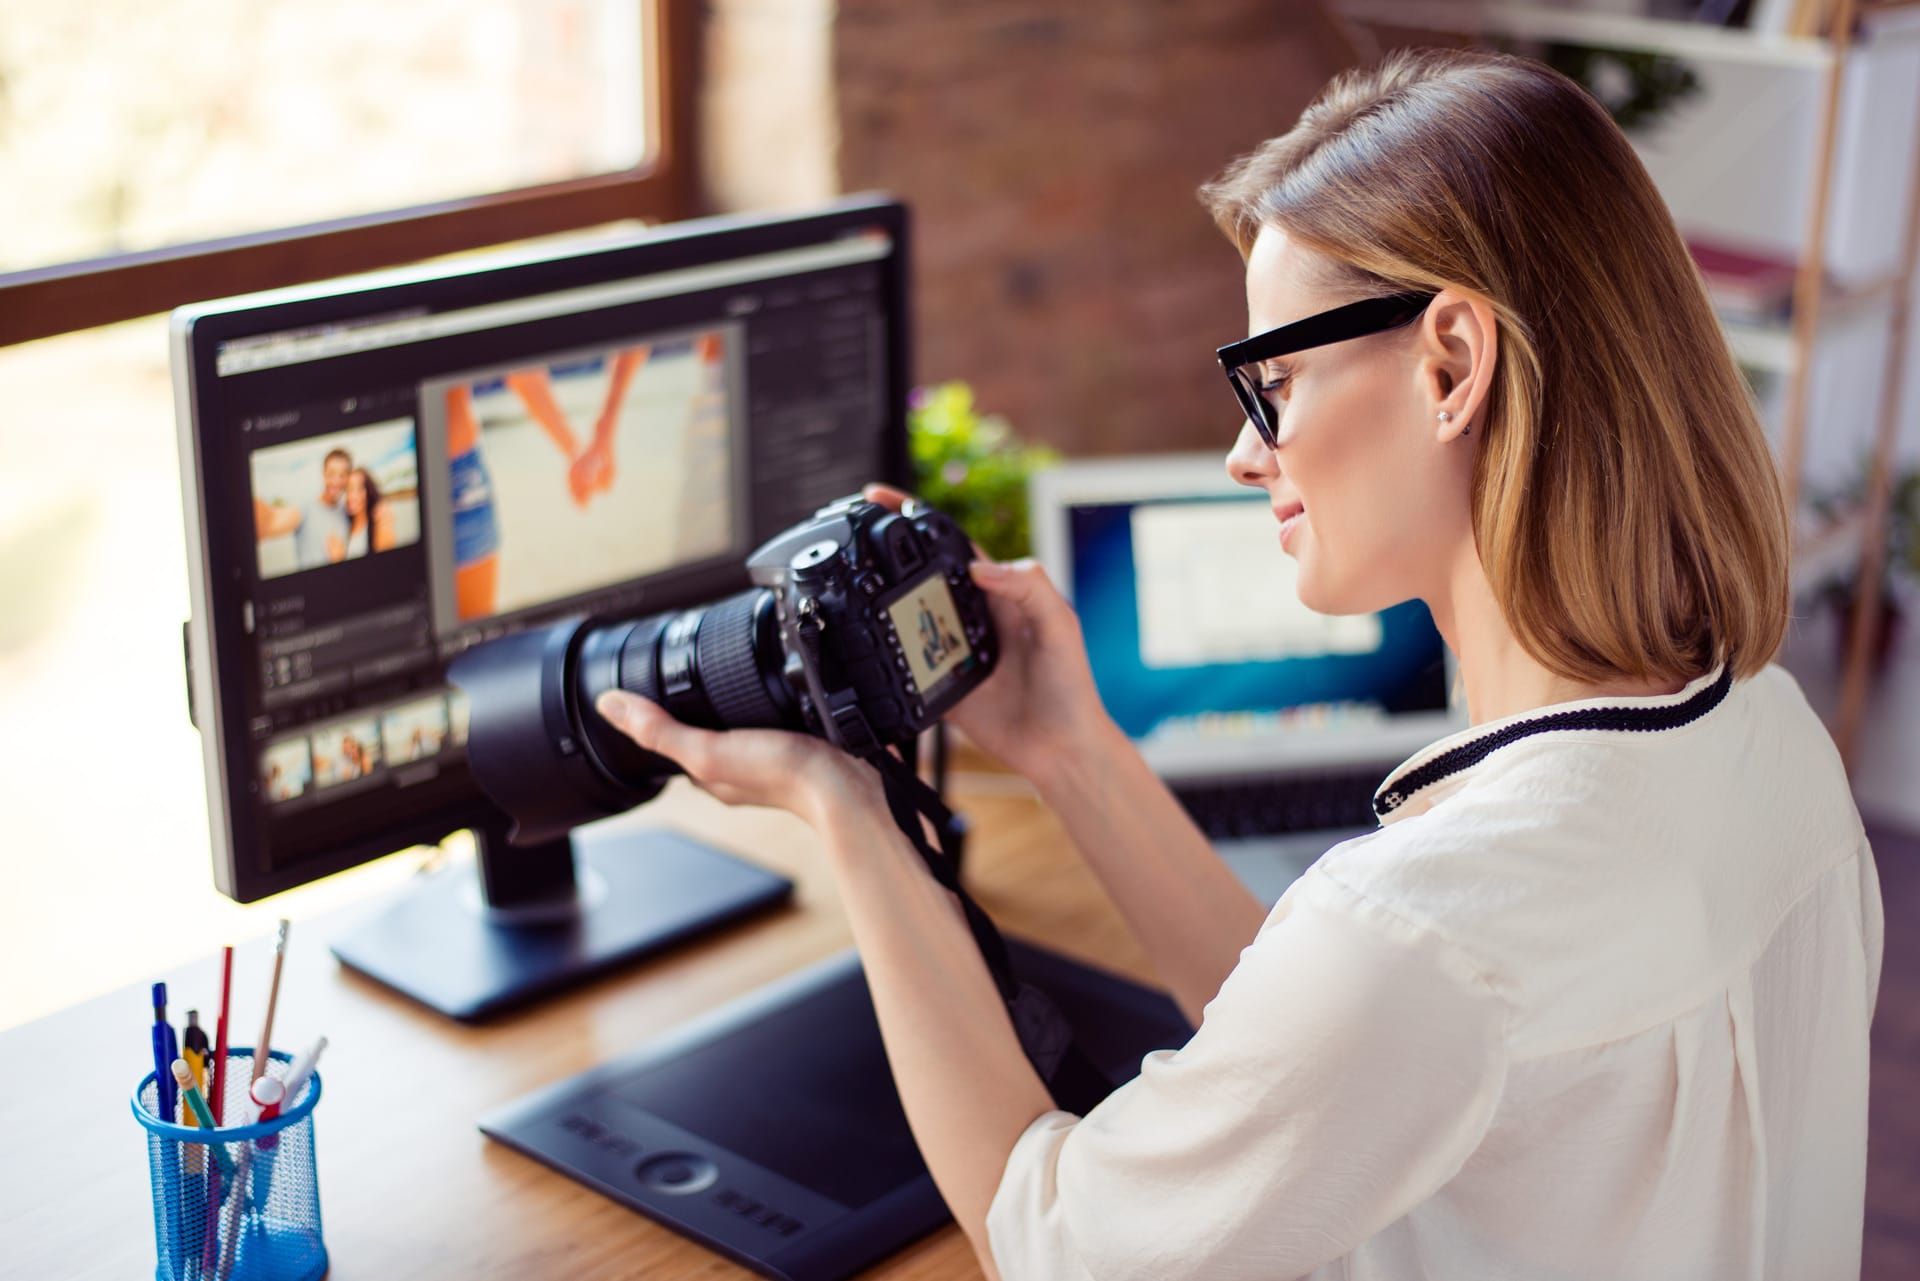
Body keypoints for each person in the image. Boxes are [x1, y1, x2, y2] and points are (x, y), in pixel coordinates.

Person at [588, 48, 1882, 1281]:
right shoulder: (1774, 746)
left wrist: (846, 812)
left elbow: (1053, 1241)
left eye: (1271, 384)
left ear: (1452, 364)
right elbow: (1341, 1049)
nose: (1245, 454)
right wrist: (1068, 747)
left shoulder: (1435, 928)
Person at [253, 447, 351, 572]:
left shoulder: (347, 511)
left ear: (348, 477)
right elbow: (272, 521)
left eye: (342, 475)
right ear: (323, 474)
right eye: (331, 474)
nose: (336, 481)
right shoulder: (306, 506)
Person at [330, 467, 398, 561]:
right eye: (347, 490)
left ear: (369, 491)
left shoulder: (380, 522)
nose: (351, 496)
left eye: (359, 489)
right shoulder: (345, 527)